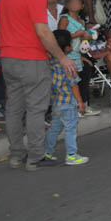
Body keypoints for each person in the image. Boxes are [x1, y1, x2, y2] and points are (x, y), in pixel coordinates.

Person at [0, 0, 77, 171]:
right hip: (30, 58)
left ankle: (16, 155)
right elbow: (43, 32)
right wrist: (62, 57)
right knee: (35, 108)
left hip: (8, 57)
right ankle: (35, 157)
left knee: (13, 108)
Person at [43, 29, 89, 165]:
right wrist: (80, 102)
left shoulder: (50, 61)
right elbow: (74, 85)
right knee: (71, 128)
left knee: (54, 128)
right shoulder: (69, 64)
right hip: (68, 102)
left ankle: (47, 151)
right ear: (68, 47)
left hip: (56, 102)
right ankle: (71, 155)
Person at [58, 0, 101, 116]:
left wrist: (86, 37)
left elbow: (82, 43)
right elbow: (61, 37)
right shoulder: (65, 19)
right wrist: (77, 34)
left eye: (77, 2)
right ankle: (76, 107)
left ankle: (82, 106)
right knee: (72, 83)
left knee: (79, 80)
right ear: (67, 4)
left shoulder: (81, 21)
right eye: (71, 2)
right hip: (67, 55)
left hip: (77, 55)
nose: (74, 4)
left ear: (82, 6)